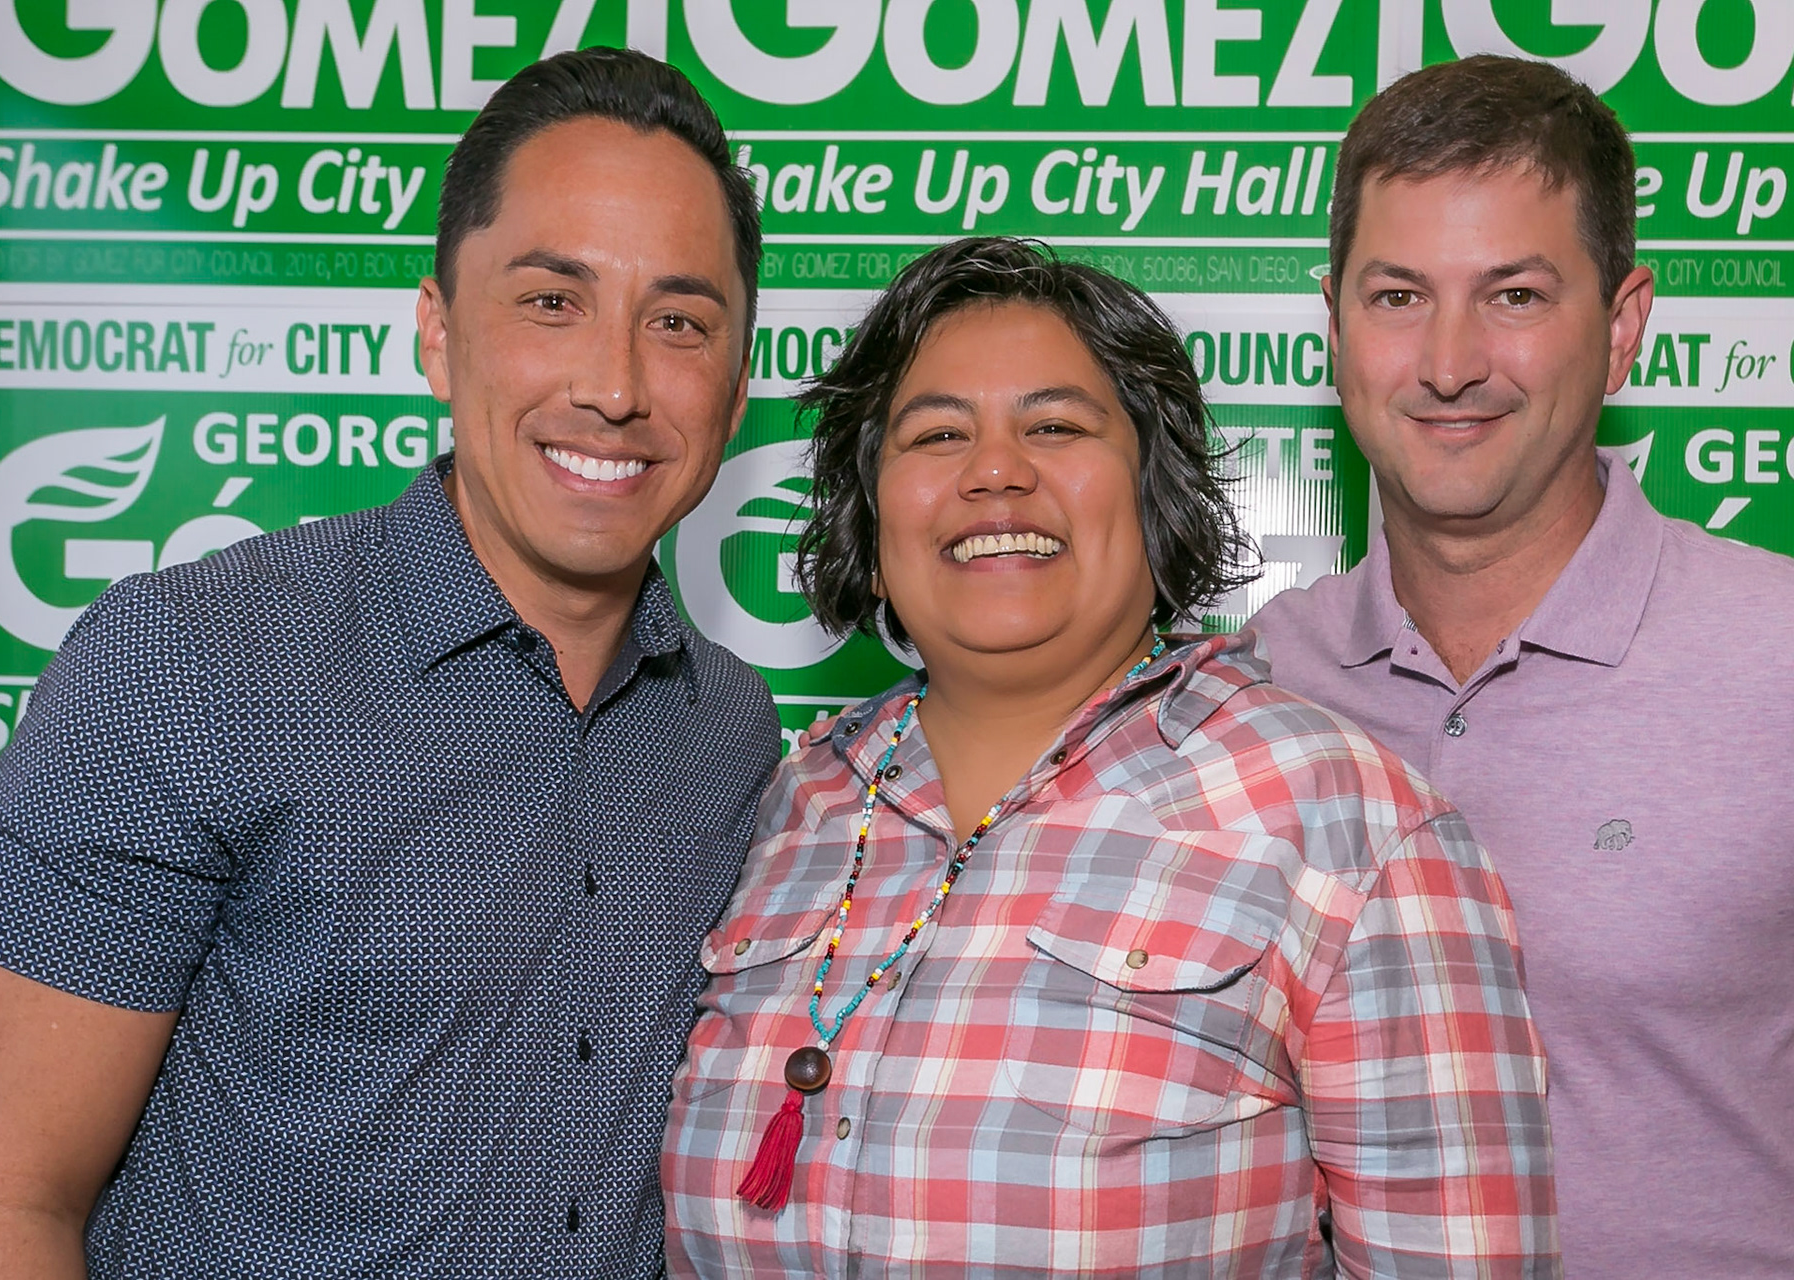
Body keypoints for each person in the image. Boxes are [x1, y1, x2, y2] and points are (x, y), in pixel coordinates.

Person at [0, 48, 779, 1279]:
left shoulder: (732, 730)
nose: (615, 385)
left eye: (677, 322)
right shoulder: (188, 667)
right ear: (436, 330)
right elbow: (14, 1198)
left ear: (734, 393)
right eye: (550, 300)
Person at [663, 236, 1561, 1278]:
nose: (994, 471)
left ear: (1156, 488)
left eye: (1055, 425)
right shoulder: (789, 800)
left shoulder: (1352, 828)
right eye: (936, 433)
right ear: (871, 510)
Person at [1247, 55, 1794, 1280]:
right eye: (1397, 296)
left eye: (1513, 295)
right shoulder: (1257, 680)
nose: (1449, 362)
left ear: (1622, 327)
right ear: (1332, 321)